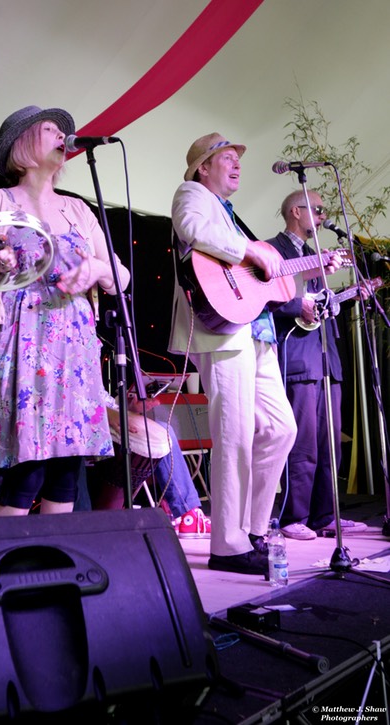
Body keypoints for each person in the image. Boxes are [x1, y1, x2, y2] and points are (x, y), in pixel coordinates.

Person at [0, 105, 130, 516]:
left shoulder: (77, 210)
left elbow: (121, 279)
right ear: (20, 144)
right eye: (50, 129)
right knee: (26, 469)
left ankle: (53, 567)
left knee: (66, 470)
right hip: (20, 341)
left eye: (62, 132)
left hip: (72, 347)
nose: (61, 136)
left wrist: (96, 268)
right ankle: (1, 571)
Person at [168, 133, 297, 574]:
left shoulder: (231, 215)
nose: (237, 165)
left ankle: (252, 529)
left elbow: (254, 274)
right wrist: (252, 249)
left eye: (237, 159)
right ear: (203, 168)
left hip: (255, 332)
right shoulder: (192, 194)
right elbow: (193, 230)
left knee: (280, 429)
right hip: (220, 330)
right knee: (234, 433)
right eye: (226, 158)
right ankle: (228, 545)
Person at [266, 190, 368, 539]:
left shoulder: (316, 256)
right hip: (297, 358)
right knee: (303, 445)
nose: (323, 216)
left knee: (330, 445)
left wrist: (342, 299)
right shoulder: (272, 251)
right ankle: (294, 516)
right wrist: (299, 306)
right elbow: (266, 300)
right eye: (318, 209)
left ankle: (325, 515)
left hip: (326, 357)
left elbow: (322, 304)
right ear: (296, 211)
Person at [89, 396, 211, 539]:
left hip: (108, 415)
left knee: (164, 429)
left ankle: (187, 513)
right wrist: (109, 413)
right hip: (90, 423)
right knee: (162, 432)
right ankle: (187, 513)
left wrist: (129, 408)